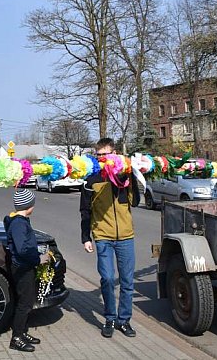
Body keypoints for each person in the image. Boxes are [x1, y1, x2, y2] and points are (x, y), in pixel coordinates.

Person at [80, 138, 140, 339]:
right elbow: (85, 210)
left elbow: (136, 202)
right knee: (106, 279)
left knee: (127, 281)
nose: (102, 158)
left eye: (105, 154)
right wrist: (85, 237)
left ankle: (124, 320)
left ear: (114, 154)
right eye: (99, 155)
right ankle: (110, 318)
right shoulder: (92, 180)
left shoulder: (124, 176)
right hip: (103, 236)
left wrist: (130, 176)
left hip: (125, 236)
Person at [3, 188, 49, 352]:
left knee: (26, 301)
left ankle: (22, 332)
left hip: (24, 266)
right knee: (25, 304)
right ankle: (16, 338)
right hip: (22, 268)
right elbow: (22, 249)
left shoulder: (20, 221)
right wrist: (38, 259)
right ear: (29, 206)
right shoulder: (18, 224)